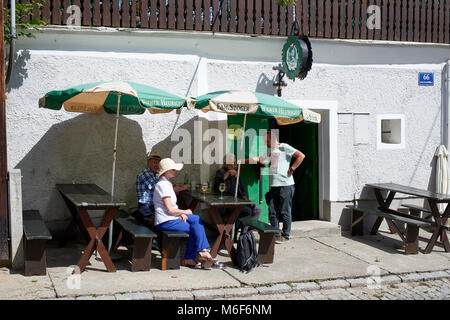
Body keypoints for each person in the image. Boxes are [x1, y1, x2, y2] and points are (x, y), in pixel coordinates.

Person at [153, 158, 216, 268]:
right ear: (166, 171)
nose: (175, 171)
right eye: (173, 169)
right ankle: (193, 255)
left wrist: (179, 213)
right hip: (165, 221)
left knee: (196, 220)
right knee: (194, 228)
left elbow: (172, 207)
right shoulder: (162, 185)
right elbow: (169, 209)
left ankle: (201, 251)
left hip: (171, 217)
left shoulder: (167, 183)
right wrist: (183, 211)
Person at [246, 130, 305, 242]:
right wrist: (243, 161)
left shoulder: (284, 147)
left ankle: (286, 235)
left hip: (286, 185)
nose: (265, 143)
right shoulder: (269, 150)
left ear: (272, 139)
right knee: (273, 212)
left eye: (266, 141)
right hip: (273, 186)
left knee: (285, 211)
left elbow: (301, 156)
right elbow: (260, 159)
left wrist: (292, 169)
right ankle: (275, 235)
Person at [135, 151, 189, 225]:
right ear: (148, 163)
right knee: (161, 219)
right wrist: (182, 188)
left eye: (158, 163)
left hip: (155, 205)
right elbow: (162, 188)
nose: (156, 165)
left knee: (173, 215)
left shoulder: (157, 173)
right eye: (154, 162)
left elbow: (167, 186)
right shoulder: (145, 173)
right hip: (146, 206)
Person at [213, 153, 261, 221]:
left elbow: (241, 190)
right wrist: (228, 174)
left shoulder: (236, 173)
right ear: (225, 163)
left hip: (239, 202)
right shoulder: (220, 172)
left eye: (235, 162)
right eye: (233, 162)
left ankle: (247, 230)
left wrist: (246, 199)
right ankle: (243, 231)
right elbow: (219, 189)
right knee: (247, 211)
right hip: (227, 205)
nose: (235, 164)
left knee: (257, 209)